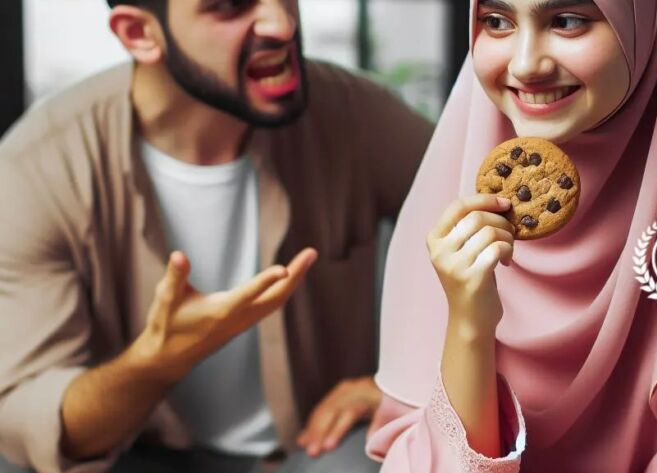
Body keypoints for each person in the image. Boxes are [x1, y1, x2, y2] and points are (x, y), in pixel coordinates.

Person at [366, 0, 657, 471]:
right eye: (497, 22)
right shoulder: (454, 180)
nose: (525, 65)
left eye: (567, 20)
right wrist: (468, 328)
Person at [0, 0, 432, 472]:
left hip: (315, 451)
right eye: (230, 7)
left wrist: (402, 384)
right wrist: (155, 363)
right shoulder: (37, 167)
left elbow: (509, 235)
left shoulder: (355, 114)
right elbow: (27, 422)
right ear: (138, 33)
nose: (281, 23)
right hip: (137, 457)